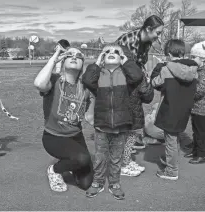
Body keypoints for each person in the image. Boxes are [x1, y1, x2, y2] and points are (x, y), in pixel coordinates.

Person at [82, 43, 143, 200]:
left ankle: (114, 183)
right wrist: (97, 62)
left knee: (116, 158)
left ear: (121, 58)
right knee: (100, 157)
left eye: (116, 52)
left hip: (121, 126)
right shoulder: (99, 74)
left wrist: (125, 61)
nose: (111, 53)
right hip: (102, 125)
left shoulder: (126, 75)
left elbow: (137, 76)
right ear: (102, 57)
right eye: (107, 52)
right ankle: (98, 182)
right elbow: (87, 80)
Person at [34, 45, 94, 192]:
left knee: (85, 183)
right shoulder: (54, 81)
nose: (74, 57)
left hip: (75, 136)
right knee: (82, 159)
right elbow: (39, 84)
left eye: (79, 56)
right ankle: (54, 170)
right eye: (70, 55)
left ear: (82, 65)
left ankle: (70, 159)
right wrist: (54, 59)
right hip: (54, 137)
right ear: (63, 60)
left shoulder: (85, 88)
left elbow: (90, 117)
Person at [116, 15, 163, 174]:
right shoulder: (127, 40)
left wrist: (145, 79)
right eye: (158, 32)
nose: (158, 36)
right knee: (127, 127)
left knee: (133, 127)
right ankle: (122, 163)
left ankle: (125, 159)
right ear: (148, 29)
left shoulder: (147, 43)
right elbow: (119, 66)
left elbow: (140, 65)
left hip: (134, 86)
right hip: (123, 86)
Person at [151, 39, 198, 180]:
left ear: (169, 53)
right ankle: (171, 161)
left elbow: (155, 82)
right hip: (184, 109)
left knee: (170, 139)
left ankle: (172, 170)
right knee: (175, 137)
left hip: (170, 108)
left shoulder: (166, 69)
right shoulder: (194, 70)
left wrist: (157, 70)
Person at [185, 39, 205, 164]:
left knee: (200, 131)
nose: (192, 59)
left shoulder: (204, 72)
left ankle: (202, 154)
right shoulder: (201, 70)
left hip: (202, 106)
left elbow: (200, 90)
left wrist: (188, 94)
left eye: (194, 57)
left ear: (202, 58)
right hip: (197, 106)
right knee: (196, 130)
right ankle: (195, 150)